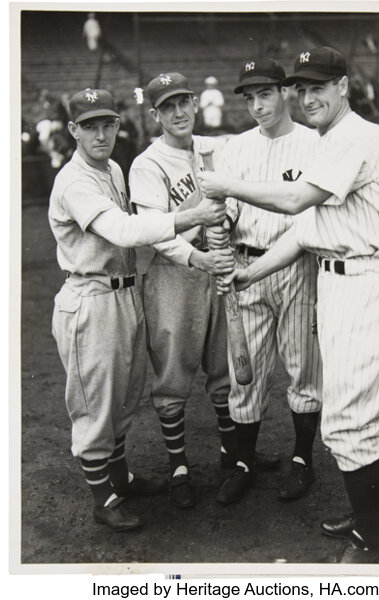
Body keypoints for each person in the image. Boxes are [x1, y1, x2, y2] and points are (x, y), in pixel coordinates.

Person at [198, 47, 379, 563]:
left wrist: (225, 183)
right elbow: (305, 230)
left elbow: (295, 202)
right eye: (302, 87)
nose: (308, 96)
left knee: (347, 423)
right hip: (342, 283)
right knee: (368, 418)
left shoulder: (356, 136)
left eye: (319, 86)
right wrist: (246, 273)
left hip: (370, 283)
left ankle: (370, 546)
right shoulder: (330, 140)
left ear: (344, 86)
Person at [49, 88, 226, 532]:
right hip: (90, 297)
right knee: (96, 403)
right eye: (89, 126)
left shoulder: (110, 167)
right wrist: (190, 217)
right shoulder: (73, 180)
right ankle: (102, 498)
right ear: (73, 130)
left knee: (124, 396)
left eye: (107, 123)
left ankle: (120, 477)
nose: (101, 133)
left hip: (123, 292)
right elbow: (125, 231)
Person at [129, 72, 277, 510]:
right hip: (176, 274)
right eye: (166, 107)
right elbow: (155, 231)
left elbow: (242, 173)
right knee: (174, 375)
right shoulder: (147, 164)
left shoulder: (215, 148)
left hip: (218, 268)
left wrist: (224, 230)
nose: (177, 113)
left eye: (182, 103)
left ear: (195, 103)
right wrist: (197, 258)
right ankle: (179, 468)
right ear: (155, 115)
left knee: (224, 370)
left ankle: (234, 455)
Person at [206, 58, 322, 506]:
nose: (257, 105)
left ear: (286, 92)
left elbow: (308, 217)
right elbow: (226, 209)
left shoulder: (314, 144)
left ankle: (302, 460)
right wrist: (221, 221)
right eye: (249, 97)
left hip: (296, 265)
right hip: (244, 267)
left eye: (265, 93)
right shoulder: (235, 147)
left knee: (303, 367)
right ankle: (243, 461)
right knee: (245, 373)